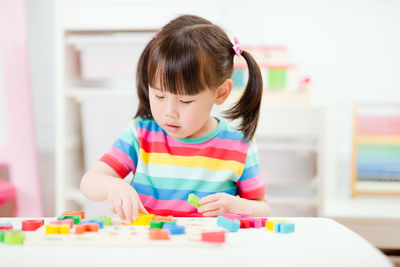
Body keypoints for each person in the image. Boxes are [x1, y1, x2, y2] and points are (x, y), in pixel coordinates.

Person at [80, 14, 269, 222]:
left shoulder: (238, 145)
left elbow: (263, 208)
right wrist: (114, 186)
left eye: (185, 101)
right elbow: (90, 181)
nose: (169, 111)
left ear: (221, 92)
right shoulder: (140, 135)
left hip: (207, 250)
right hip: (148, 246)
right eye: (159, 96)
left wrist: (234, 206)